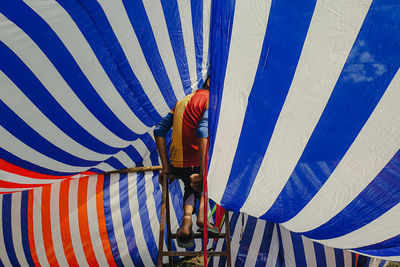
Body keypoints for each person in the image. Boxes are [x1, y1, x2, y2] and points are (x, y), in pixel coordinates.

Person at [153, 77, 218, 248]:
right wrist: (204, 174)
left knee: (190, 184)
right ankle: (203, 214)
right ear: (210, 81)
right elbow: (202, 131)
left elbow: (159, 130)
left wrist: (166, 167)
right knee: (212, 174)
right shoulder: (210, 100)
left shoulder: (181, 102)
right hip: (196, 161)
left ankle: (186, 221)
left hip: (178, 164)